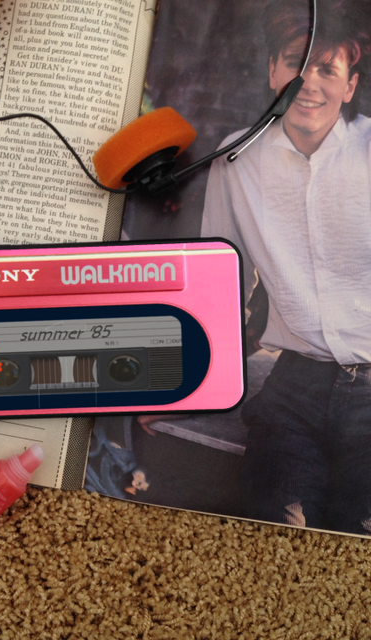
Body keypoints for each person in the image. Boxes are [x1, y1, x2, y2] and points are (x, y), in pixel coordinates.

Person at [200, 0, 371, 534]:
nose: (308, 83)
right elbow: (216, 282)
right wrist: (183, 385)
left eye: (327, 69)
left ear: (350, 84)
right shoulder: (236, 160)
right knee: (278, 532)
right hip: (293, 389)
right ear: (273, 69)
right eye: (296, 63)